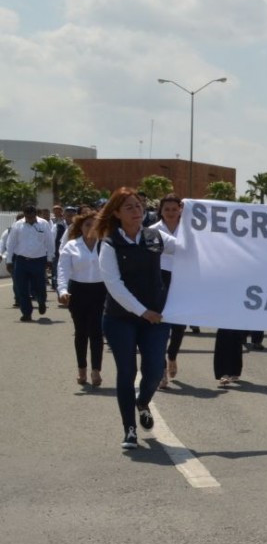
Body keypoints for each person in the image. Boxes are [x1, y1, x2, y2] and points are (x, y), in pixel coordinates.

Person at [96, 187, 175, 450]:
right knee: (127, 371)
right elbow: (114, 286)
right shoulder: (109, 244)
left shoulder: (155, 237)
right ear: (116, 213)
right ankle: (129, 429)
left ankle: (143, 402)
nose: (136, 211)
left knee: (154, 371)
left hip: (155, 318)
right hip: (121, 319)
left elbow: (188, 251)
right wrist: (142, 311)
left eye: (139, 206)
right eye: (129, 207)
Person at [57, 210, 106, 387]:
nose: (91, 228)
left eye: (95, 225)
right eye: (87, 225)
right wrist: (62, 290)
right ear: (81, 227)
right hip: (78, 291)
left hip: (100, 291)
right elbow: (63, 270)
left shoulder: (106, 245)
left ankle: (96, 371)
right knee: (81, 332)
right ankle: (82, 369)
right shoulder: (71, 246)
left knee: (97, 332)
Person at [155, 194, 186, 389]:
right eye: (167, 209)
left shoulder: (190, 229)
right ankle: (162, 369)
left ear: (180, 209)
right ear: (161, 210)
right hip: (160, 277)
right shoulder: (152, 230)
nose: (171, 213)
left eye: (174, 209)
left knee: (180, 324)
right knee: (161, 324)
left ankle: (172, 355)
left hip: (184, 278)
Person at [5, 205, 55, 322]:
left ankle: (41, 301)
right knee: (21, 288)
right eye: (28, 217)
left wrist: (49, 259)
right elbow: (11, 243)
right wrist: (9, 260)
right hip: (21, 261)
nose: (30, 219)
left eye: (32, 216)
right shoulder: (17, 225)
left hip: (39, 260)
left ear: (35, 214)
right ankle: (26, 313)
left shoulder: (43, 224)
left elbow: (50, 242)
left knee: (39, 286)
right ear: (24, 215)